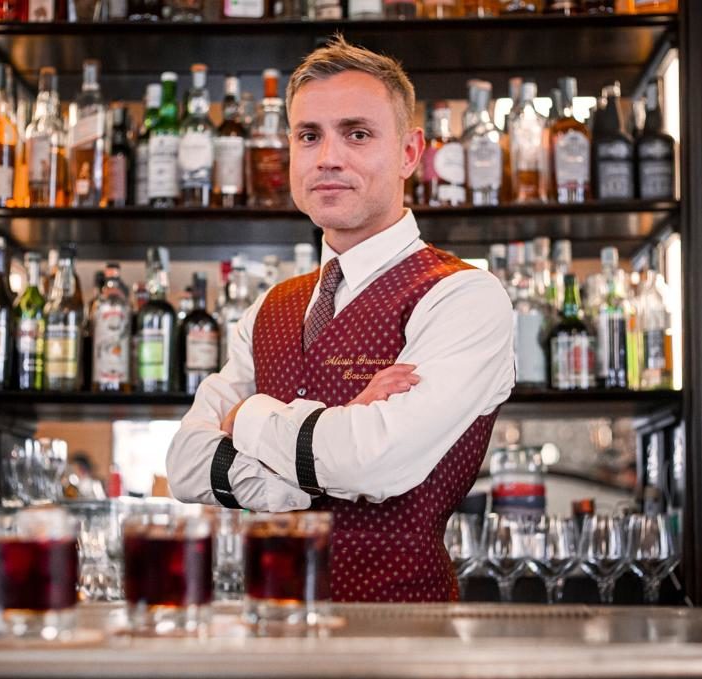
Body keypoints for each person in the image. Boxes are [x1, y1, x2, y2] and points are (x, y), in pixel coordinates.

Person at [166, 36, 514, 602]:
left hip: (403, 636)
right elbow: (185, 465)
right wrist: (331, 444)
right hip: (269, 634)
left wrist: (249, 416)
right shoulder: (268, 308)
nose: (328, 156)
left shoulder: (463, 296)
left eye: (357, 133)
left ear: (409, 152)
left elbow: (375, 463)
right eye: (309, 136)